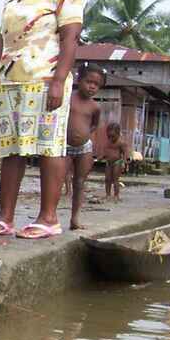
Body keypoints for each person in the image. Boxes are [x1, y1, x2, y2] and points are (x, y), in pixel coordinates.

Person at [0, 0, 84, 239]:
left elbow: (71, 39)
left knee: (49, 146)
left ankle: (48, 218)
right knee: (11, 150)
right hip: (11, 81)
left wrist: (59, 81)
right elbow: (1, 40)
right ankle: (5, 217)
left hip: (46, 80)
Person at [64, 65, 105, 230]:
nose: (92, 87)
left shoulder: (95, 107)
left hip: (84, 148)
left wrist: (85, 135)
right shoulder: (68, 98)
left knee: (80, 182)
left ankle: (75, 219)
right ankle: (49, 215)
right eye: (89, 82)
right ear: (79, 80)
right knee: (58, 178)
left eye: (96, 84)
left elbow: (94, 125)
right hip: (64, 146)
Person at [100, 122, 126, 202]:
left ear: (118, 134)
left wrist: (124, 163)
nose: (111, 138)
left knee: (115, 179)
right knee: (107, 179)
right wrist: (101, 157)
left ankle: (116, 195)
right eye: (109, 136)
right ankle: (108, 194)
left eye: (113, 136)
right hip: (108, 162)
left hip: (117, 162)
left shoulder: (120, 142)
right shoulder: (108, 142)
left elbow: (125, 153)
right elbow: (106, 151)